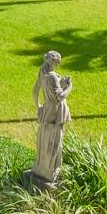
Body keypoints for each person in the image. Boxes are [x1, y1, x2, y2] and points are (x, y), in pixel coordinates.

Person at [31, 50, 72, 187]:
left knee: (44, 137)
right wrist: (69, 87)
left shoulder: (42, 71)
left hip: (46, 110)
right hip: (55, 112)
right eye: (57, 63)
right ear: (53, 61)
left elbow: (35, 90)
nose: (57, 65)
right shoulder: (53, 77)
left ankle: (40, 166)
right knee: (54, 140)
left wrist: (38, 107)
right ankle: (50, 170)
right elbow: (60, 97)